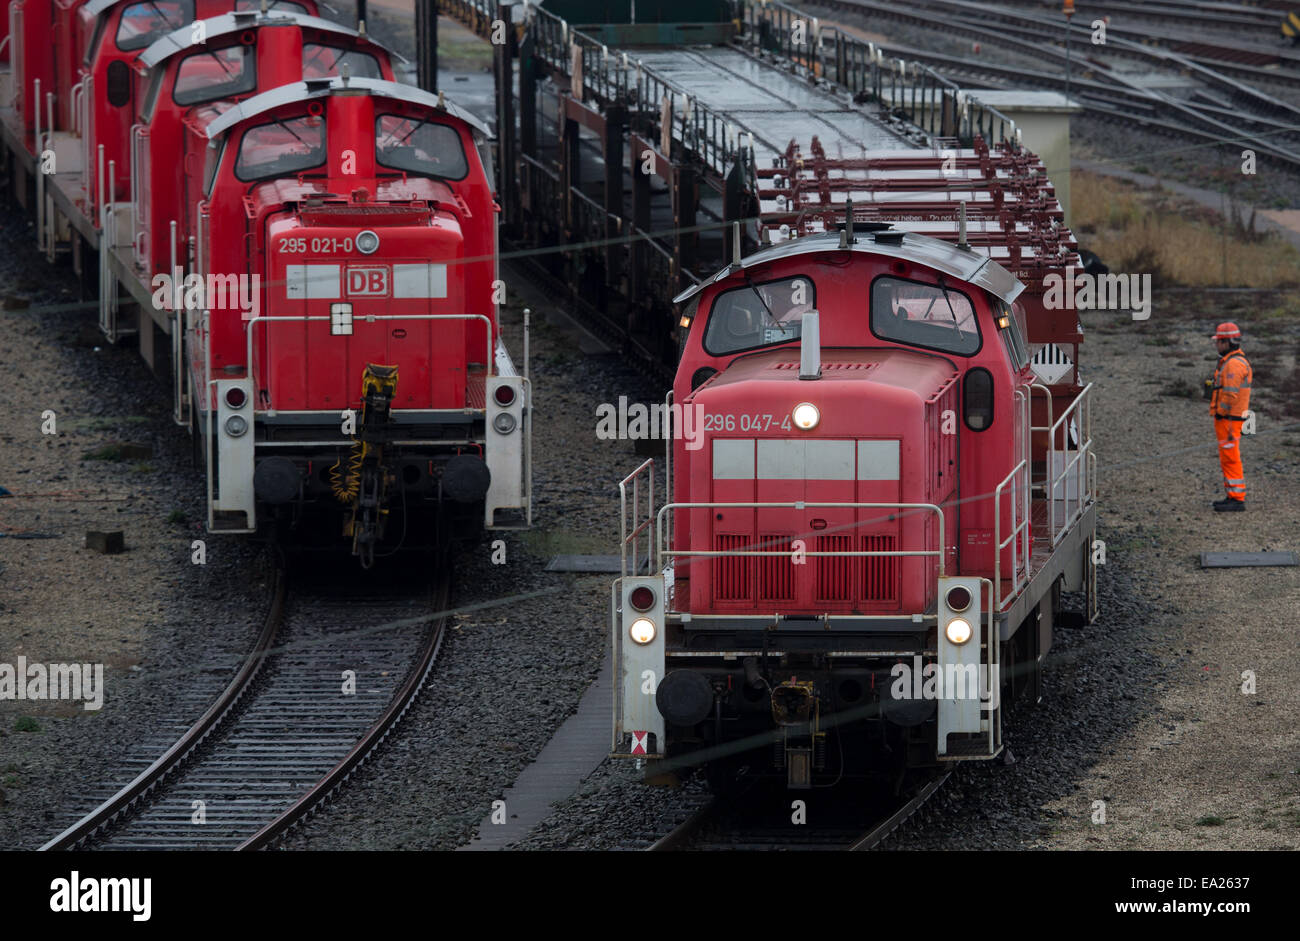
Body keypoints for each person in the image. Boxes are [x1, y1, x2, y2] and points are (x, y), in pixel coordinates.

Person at [1207, 322, 1252, 511]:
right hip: (1230, 420)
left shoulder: (1233, 364)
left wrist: (1221, 412)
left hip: (1229, 420)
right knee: (1228, 457)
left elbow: (1230, 395)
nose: (1216, 345)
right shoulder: (1233, 361)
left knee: (1231, 457)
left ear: (1227, 342)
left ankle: (1236, 498)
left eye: (1219, 341)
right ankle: (1232, 495)